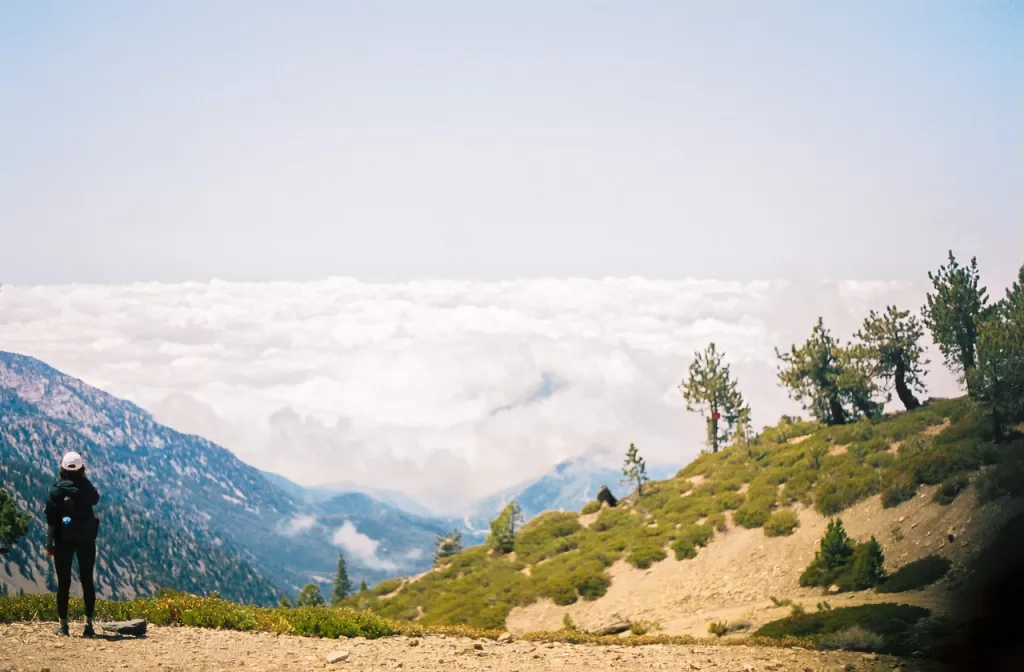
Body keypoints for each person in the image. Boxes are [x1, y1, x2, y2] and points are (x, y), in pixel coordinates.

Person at [44, 451, 101, 637]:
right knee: (87, 580)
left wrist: (49, 544)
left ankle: (63, 626)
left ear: (62, 468)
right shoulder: (87, 488)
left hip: (63, 540)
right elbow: (96, 498)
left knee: (63, 582)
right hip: (86, 540)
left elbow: (51, 520)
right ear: (81, 468)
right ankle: (88, 625)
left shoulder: (56, 490)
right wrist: (83, 480)